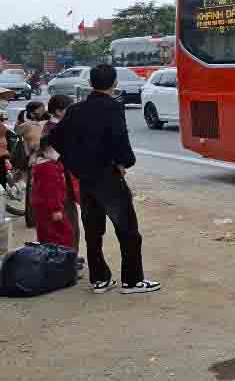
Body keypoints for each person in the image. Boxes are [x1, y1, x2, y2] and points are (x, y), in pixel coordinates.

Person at [48, 64, 158, 294]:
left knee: (93, 231)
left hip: (86, 177)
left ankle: (100, 280)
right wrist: (124, 163)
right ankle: (132, 280)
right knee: (127, 230)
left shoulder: (76, 110)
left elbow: (56, 138)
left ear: (90, 83)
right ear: (114, 83)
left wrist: (75, 164)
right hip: (108, 176)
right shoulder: (113, 108)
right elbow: (119, 140)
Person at [42, 94, 82, 256]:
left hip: (65, 180)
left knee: (69, 221)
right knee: (66, 223)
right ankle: (66, 259)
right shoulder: (52, 129)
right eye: (68, 110)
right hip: (59, 182)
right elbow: (50, 155)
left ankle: (67, 257)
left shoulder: (54, 127)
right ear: (58, 111)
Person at [30, 130, 74, 248]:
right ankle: (60, 261)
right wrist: (56, 209)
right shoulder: (49, 168)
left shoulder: (42, 164)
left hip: (42, 206)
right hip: (50, 207)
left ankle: (49, 260)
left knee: (46, 236)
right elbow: (51, 191)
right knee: (62, 236)